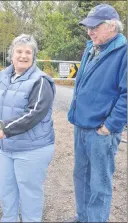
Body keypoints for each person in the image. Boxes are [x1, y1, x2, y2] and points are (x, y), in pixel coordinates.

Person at [0, 34, 56, 222]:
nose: (23, 55)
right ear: (11, 54)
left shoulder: (41, 81)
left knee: (29, 194)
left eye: (28, 52)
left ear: (33, 56)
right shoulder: (4, 77)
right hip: (5, 147)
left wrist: (4, 130)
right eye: (19, 51)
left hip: (32, 149)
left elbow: (34, 114)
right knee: (6, 190)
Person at [67, 4, 127, 223]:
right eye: (87, 27)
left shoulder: (124, 52)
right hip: (81, 126)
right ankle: (83, 217)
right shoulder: (92, 47)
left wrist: (110, 126)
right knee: (81, 176)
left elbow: (127, 94)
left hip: (101, 131)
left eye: (95, 27)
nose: (89, 32)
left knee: (99, 184)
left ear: (112, 27)